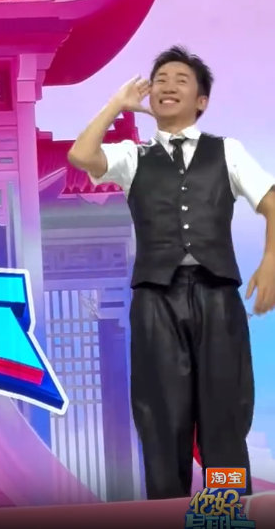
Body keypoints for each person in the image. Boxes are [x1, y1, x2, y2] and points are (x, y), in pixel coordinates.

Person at [68, 45, 275, 500]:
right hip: (155, 298)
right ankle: (168, 513)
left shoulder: (227, 151)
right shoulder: (133, 155)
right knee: (161, 417)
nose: (167, 86)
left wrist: (271, 260)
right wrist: (116, 105)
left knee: (224, 413)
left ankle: (223, 513)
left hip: (217, 295)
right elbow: (82, 156)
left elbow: (272, 202)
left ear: (201, 100)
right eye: (160, 79)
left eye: (180, 80)